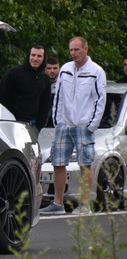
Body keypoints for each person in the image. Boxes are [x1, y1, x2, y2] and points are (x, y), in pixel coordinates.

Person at [40, 36, 107, 216]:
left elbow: (101, 100)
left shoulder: (96, 71)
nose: (73, 53)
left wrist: (91, 125)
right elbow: (59, 96)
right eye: (71, 50)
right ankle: (58, 203)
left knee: (85, 163)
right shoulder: (65, 70)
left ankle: (85, 204)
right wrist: (57, 120)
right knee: (58, 162)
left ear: (86, 49)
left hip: (84, 125)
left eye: (76, 50)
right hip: (64, 124)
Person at [0, 44, 52, 131]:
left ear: (43, 58)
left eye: (39, 56)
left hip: (32, 126)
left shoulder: (45, 79)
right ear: (28, 56)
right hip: (11, 123)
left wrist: (39, 126)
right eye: (33, 55)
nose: (35, 59)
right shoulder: (13, 74)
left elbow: (45, 104)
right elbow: (1, 98)